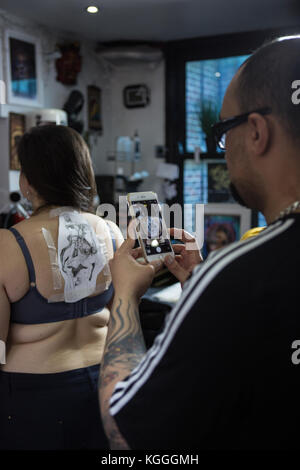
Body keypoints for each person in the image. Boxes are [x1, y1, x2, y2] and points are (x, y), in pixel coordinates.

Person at [98, 35, 300, 450]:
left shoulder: (244, 273)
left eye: (223, 131)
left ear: (257, 132)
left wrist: (124, 297)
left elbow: (125, 429)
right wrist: (197, 278)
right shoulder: (235, 280)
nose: (223, 150)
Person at [0, 125, 123, 450]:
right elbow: (123, 319)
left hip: (32, 400)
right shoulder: (112, 234)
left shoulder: (7, 246)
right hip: (104, 386)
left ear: (27, 181)